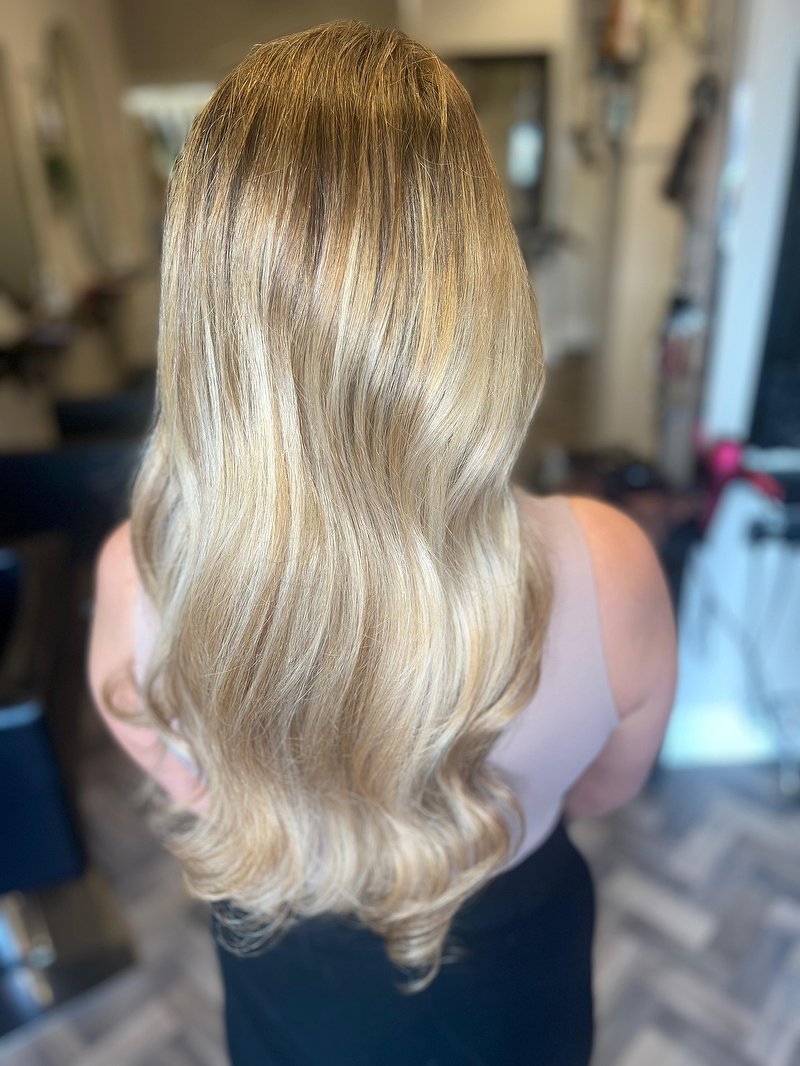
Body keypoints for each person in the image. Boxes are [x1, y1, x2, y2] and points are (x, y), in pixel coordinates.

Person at [88, 21, 676, 1066]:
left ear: (205, 315)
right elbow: (603, 788)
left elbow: (173, 770)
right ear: (479, 288)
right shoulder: (608, 565)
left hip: (283, 956)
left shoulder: (138, 575)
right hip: (513, 946)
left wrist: (287, 819)